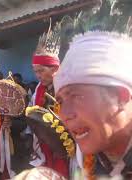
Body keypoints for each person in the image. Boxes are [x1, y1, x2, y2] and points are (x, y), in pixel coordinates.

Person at [54, 0, 132, 178]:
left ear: (121, 96)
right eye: (60, 100)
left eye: (76, 95)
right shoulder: (94, 159)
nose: (64, 114)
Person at [26, 22, 70, 178]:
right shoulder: (38, 90)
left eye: (41, 71)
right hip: (45, 146)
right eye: (35, 71)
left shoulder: (67, 88)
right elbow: (32, 116)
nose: (37, 75)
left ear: (55, 68)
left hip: (69, 151)